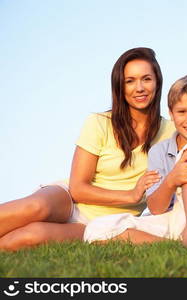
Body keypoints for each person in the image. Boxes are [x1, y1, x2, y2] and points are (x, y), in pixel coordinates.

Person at [0, 47, 176, 251]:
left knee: (31, 236)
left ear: (157, 82)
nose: (139, 88)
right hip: (69, 199)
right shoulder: (99, 122)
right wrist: (132, 195)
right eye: (130, 81)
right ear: (120, 86)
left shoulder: (172, 132)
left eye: (146, 79)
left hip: (101, 224)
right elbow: (78, 188)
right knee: (35, 207)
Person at [83, 72, 187, 247]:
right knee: (95, 229)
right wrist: (171, 180)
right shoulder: (159, 151)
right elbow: (155, 208)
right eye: (182, 112)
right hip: (170, 221)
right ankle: (178, 244)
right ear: (171, 113)